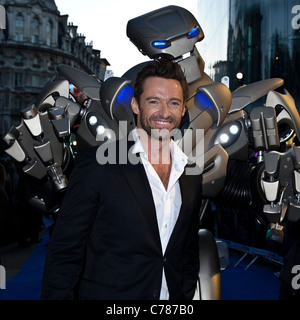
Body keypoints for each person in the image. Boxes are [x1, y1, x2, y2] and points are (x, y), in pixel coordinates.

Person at [41, 59, 202, 300]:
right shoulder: (98, 164)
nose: (164, 113)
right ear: (136, 105)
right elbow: (65, 254)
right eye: (154, 101)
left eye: (174, 103)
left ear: (183, 110)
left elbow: (187, 254)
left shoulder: (190, 173)